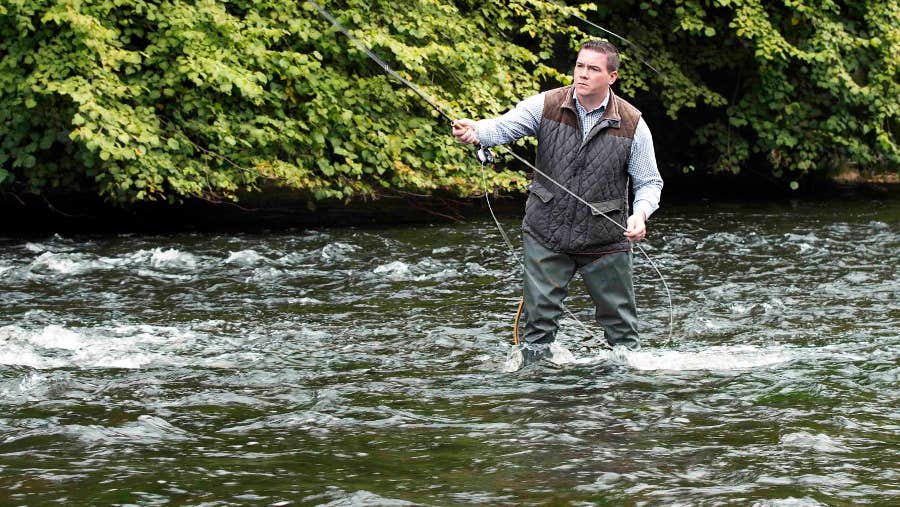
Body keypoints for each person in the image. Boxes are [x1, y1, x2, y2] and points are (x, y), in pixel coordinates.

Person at [452, 39, 663, 366]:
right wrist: (476, 131)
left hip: (605, 239)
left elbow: (650, 181)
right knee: (537, 327)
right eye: (580, 66)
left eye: (593, 69)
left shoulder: (634, 123)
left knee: (622, 332)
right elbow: (504, 126)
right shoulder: (547, 105)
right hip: (546, 232)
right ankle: (537, 394)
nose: (583, 74)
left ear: (612, 77)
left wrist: (640, 213)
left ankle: (624, 399)